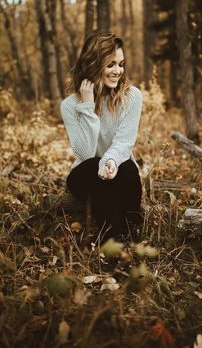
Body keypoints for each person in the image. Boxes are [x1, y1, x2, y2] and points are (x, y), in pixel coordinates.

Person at [60, 32, 143, 244]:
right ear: (94, 65)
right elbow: (86, 153)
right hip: (85, 174)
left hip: (118, 169)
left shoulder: (131, 96)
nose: (118, 71)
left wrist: (111, 162)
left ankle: (127, 231)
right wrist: (87, 106)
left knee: (129, 168)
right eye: (111, 65)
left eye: (121, 64)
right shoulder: (70, 105)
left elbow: (124, 142)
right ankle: (115, 239)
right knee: (94, 167)